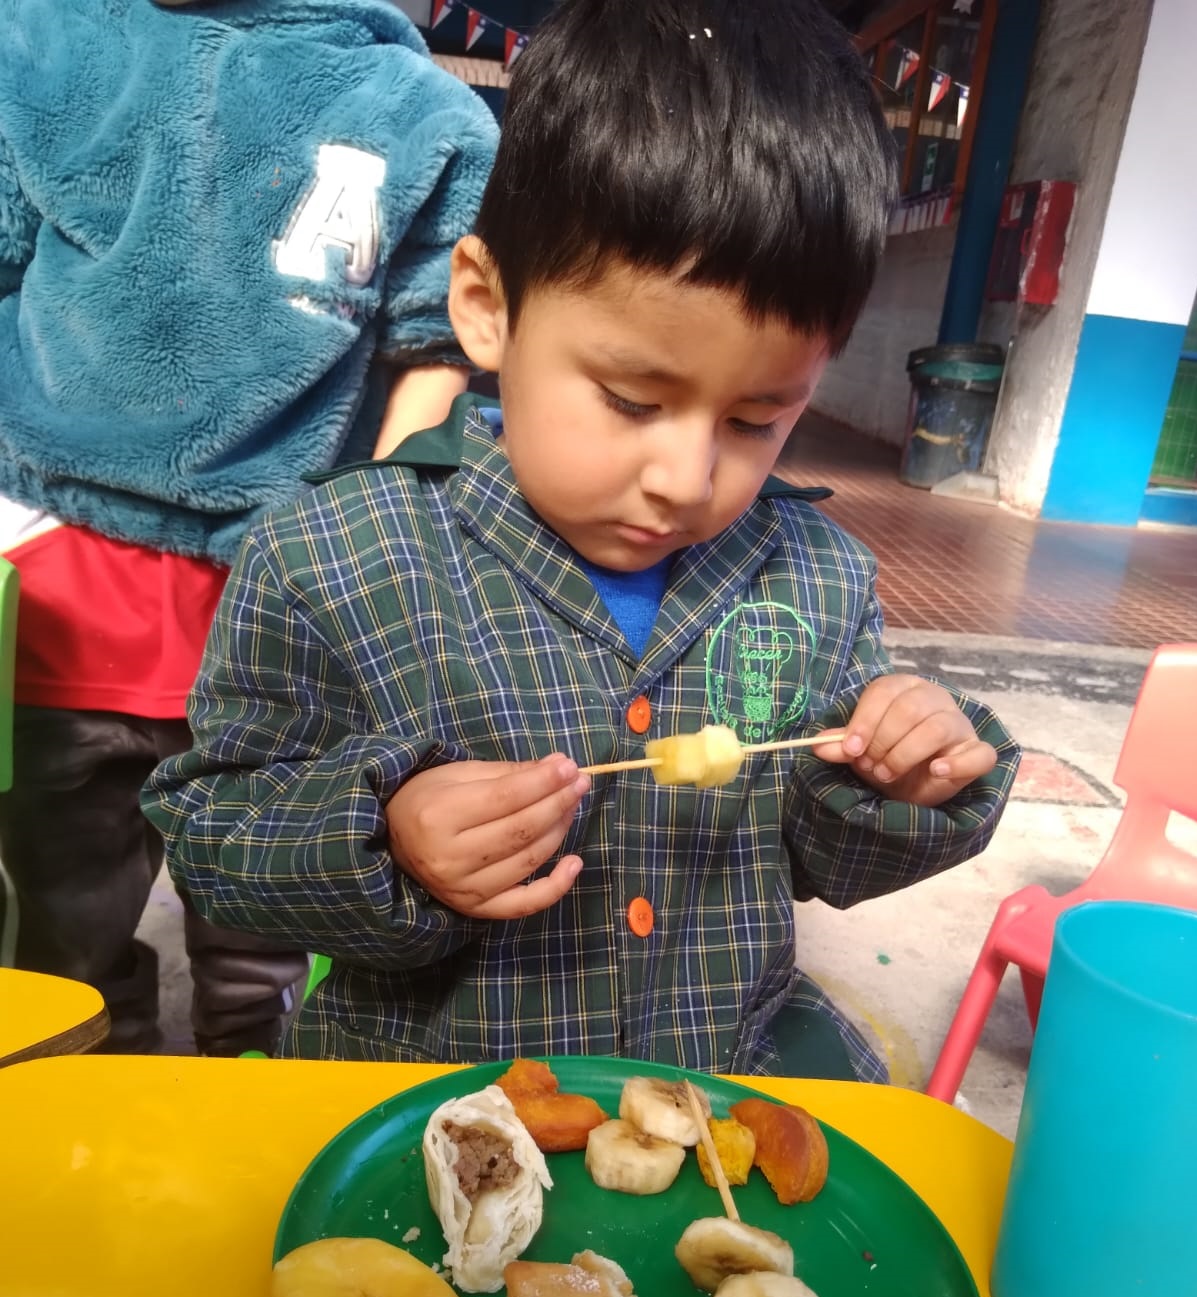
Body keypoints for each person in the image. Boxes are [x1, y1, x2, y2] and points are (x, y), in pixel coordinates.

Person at [145, 0, 1020, 1080]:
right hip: (435, 1105)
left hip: (710, 1097)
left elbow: (820, 854)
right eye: (632, 400)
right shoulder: (327, 558)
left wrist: (903, 775)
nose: (685, 479)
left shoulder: (818, 578)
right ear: (487, 307)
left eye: (755, 420)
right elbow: (214, 839)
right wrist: (387, 837)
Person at [0, 0, 497, 1054]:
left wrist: (375, 548)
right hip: (57, 578)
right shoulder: (37, 42)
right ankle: (94, 1090)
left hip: (271, 605)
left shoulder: (425, 116)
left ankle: (249, 1082)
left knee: (262, 932)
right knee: (67, 927)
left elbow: (439, 346)